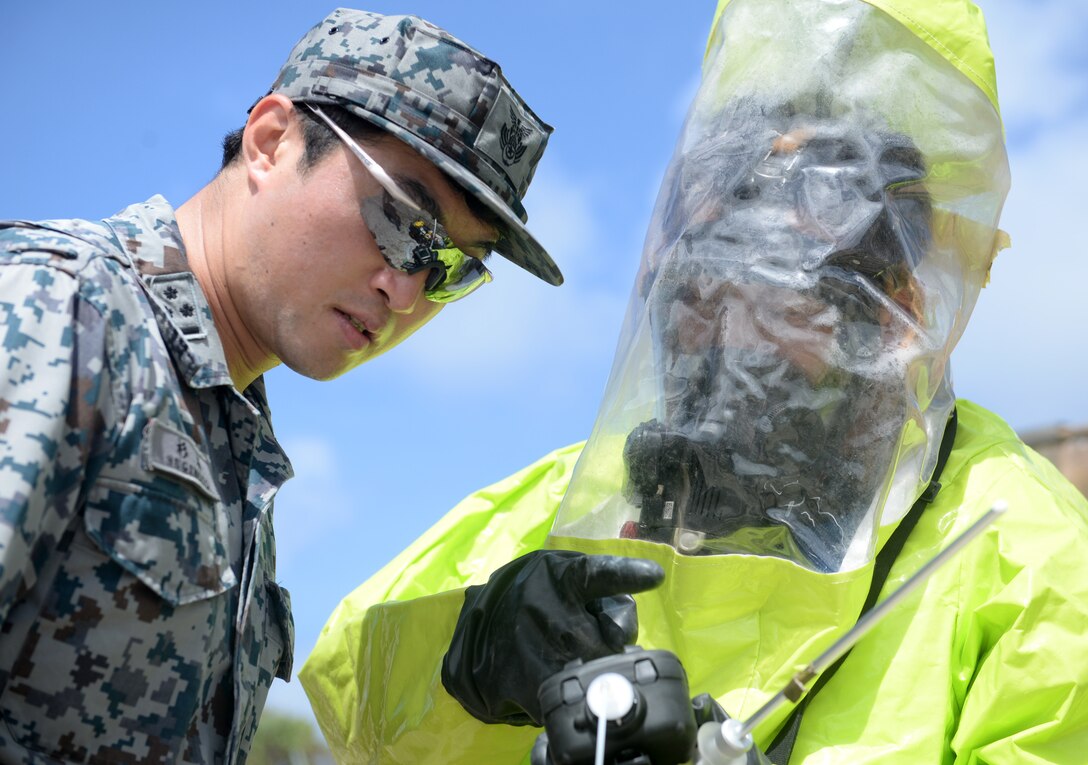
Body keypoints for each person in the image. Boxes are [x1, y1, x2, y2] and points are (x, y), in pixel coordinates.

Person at [300, 0, 1088, 763]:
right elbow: (348, 697)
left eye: (777, 304)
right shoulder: (579, 505)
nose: (724, 346)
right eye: (698, 297)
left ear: (894, 321)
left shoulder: (1027, 556)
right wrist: (466, 653)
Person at [0, 8, 562, 763]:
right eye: (402, 221)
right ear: (271, 141)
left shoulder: (229, 438)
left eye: (452, 270)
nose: (406, 291)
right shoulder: (53, 310)